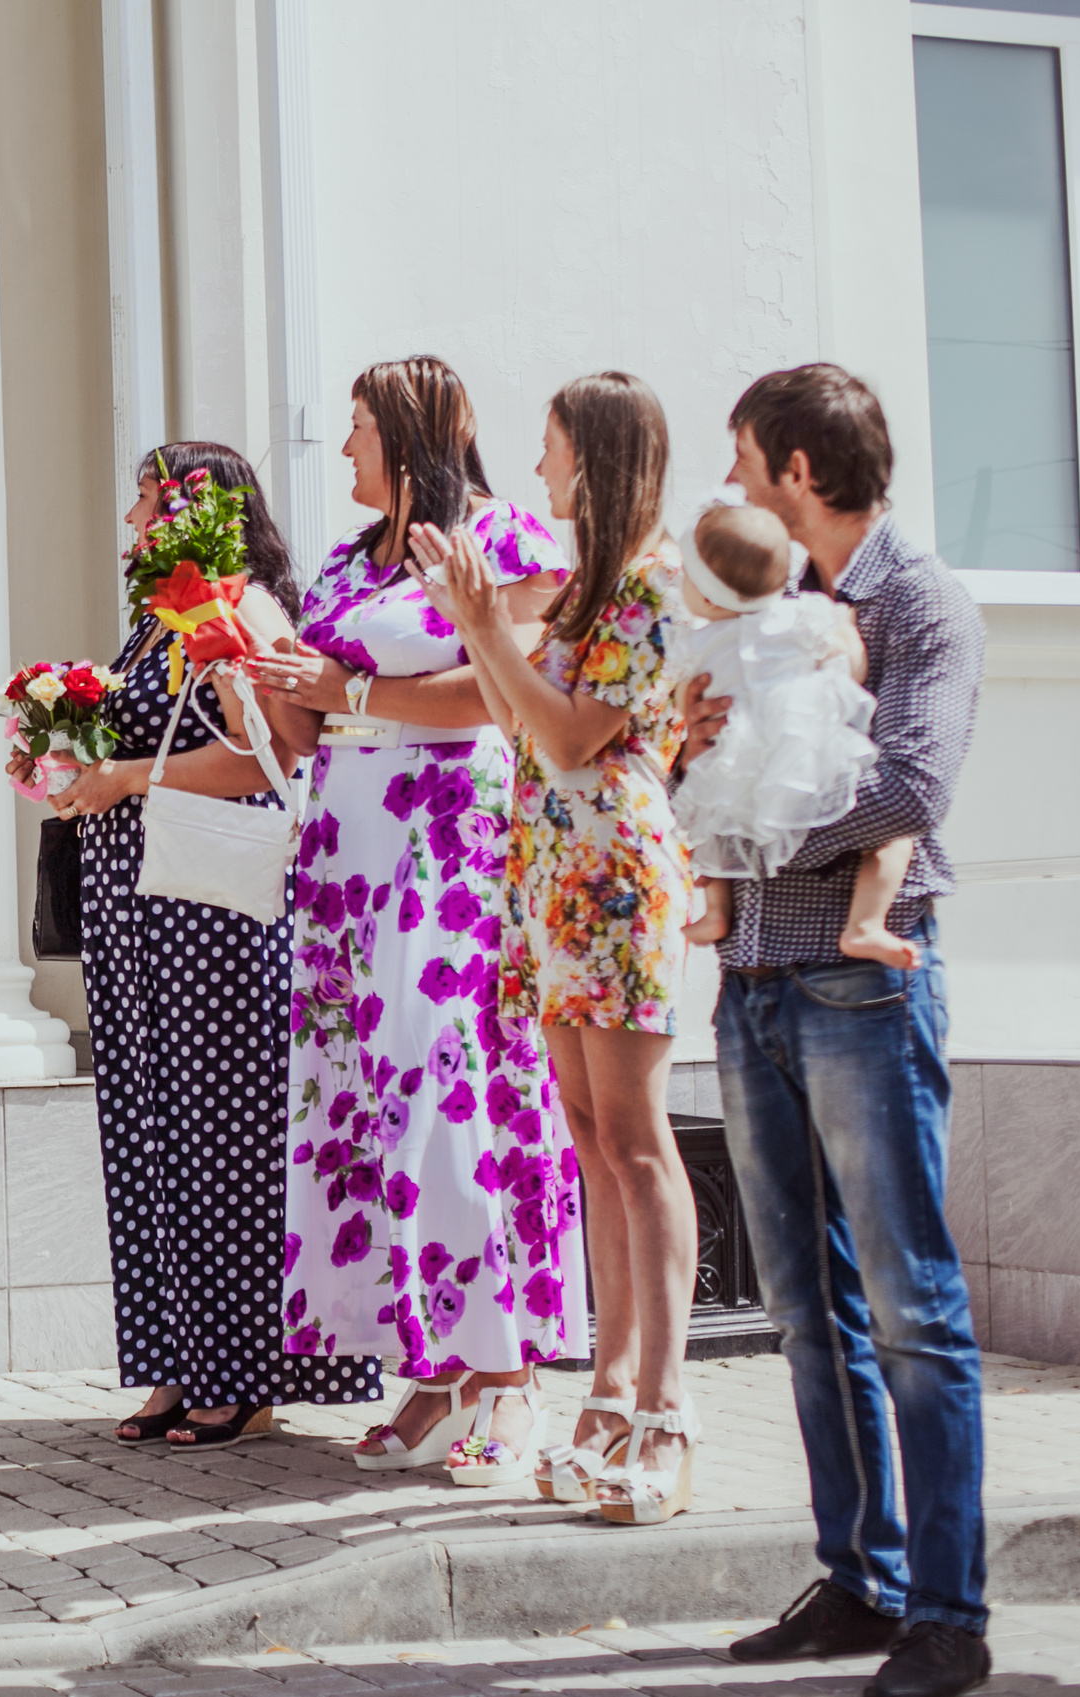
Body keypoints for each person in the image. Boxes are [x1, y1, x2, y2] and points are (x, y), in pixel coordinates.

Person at [681, 365, 989, 1697]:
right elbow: (695, 751)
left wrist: (753, 832)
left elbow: (916, 781)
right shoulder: (769, 602)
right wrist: (691, 754)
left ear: (798, 466)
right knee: (810, 1309)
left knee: (911, 1305)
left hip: (862, 988)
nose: (733, 476)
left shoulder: (919, 599)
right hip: (752, 981)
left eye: (745, 453)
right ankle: (858, 1579)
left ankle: (949, 1614)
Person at [247, 357, 587, 1487]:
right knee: (365, 1099)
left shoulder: (504, 540)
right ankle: (435, 1365)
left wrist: (341, 693)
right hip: (345, 853)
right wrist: (268, 679)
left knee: (445, 1086)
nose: (342, 451)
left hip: (447, 844)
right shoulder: (348, 561)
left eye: (356, 430)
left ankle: (508, 1374)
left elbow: (497, 688)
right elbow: (310, 708)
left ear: (410, 434)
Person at [38, 442, 380, 1449]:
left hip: (213, 915)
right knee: (150, 1132)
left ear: (201, 511)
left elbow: (264, 759)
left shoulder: (237, 607)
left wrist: (126, 778)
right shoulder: (154, 624)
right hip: (134, 906)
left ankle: (244, 1373)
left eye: (152, 495)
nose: (133, 513)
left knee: (223, 1134)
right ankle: (177, 1362)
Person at [413, 372, 697, 1525]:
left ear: (598, 455)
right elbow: (511, 707)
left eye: (550, 449)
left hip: (614, 878)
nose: (536, 471)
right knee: (588, 1136)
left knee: (635, 1140)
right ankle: (608, 1383)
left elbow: (575, 733)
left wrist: (487, 626)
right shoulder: (583, 587)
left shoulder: (654, 584)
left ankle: (663, 1407)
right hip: (549, 874)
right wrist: (475, 623)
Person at [672, 497, 915, 971]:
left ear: (705, 595)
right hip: (804, 755)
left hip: (737, 759)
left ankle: (716, 912)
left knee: (713, 824)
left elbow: (685, 697)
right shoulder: (802, 614)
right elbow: (852, 664)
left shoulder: (698, 641)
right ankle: (866, 923)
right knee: (892, 837)